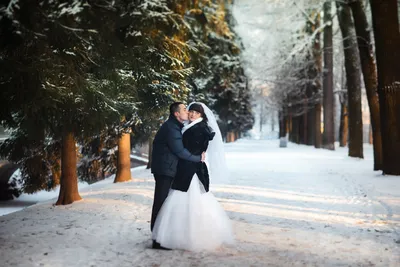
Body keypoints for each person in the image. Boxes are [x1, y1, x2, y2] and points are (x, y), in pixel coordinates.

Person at [152, 102, 234, 251]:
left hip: (189, 169)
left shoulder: (199, 128)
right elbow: (180, 150)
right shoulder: (176, 127)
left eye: (195, 112)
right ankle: (161, 237)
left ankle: (179, 235)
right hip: (175, 168)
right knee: (166, 201)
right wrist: (196, 157)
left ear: (201, 115)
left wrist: (197, 158)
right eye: (189, 111)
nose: (190, 114)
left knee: (187, 201)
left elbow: (187, 149)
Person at [150, 102, 205, 249]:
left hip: (169, 169)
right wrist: (197, 158)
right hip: (164, 170)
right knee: (160, 203)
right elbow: (179, 151)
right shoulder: (171, 128)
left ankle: (162, 235)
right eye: (184, 110)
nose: (187, 112)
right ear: (176, 114)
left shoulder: (177, 126)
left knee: (165, 203)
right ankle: (157, 239)